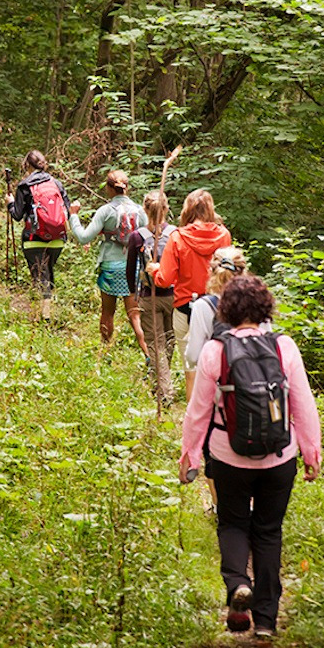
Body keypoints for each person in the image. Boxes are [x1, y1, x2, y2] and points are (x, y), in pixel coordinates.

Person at [179, 275, 321, 641]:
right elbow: (303, 405)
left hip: (228, 456)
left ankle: (238, 585)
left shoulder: (216, 350)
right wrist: (311, 451)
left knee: (233, 524)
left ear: (225, 309)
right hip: (279, 456)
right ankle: (267, 621)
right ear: (265, 308)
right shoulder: (283, 346)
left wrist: (190, 455)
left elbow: (198, 412)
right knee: (269, 532)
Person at [148, 189, 231, 400]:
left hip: (186, 307)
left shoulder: (178, 237)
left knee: (191, 367)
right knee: (219, 365)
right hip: (218, 307)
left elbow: (165, 279)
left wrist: (155, 269)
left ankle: (194, 419)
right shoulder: (224, 235)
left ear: (187, 209)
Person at [186, 246, 249, 504]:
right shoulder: (257, 305)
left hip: (218, 392)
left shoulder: (204, 306)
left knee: (213, 449)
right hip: (255, 385)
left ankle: (219, 505)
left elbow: (193, 356)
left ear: (211, 272)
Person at [69, 170, 148, 355]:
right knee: (135, 315)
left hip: (111, 267)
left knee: (107, 312)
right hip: (134, 267)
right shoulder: (140, 211)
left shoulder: (105, 211)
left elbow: (83, 237)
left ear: (108, 188)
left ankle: (105, 352)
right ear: (127, 188)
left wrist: (74, 215)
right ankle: (149, 355)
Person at [6, 150, 70, 319]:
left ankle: (45, 317)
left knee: (41, 278)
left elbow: (17, 215)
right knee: (46, 272)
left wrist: (10, 203)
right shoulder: (57, 184)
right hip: (57, 240)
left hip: (33, 239)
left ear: (27, 164)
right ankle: (45, 311)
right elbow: (67, 211)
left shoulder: (24, 186)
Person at [126, 191, 176, 404]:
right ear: (166, 209)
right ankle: (163, 383)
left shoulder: (138, 236)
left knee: (156, 344)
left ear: (145, 209)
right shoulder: (175, 234)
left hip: (149, 295)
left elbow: (130, 270)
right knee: (169, 341)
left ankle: (164, 391)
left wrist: (132, 295)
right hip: (174, 295)